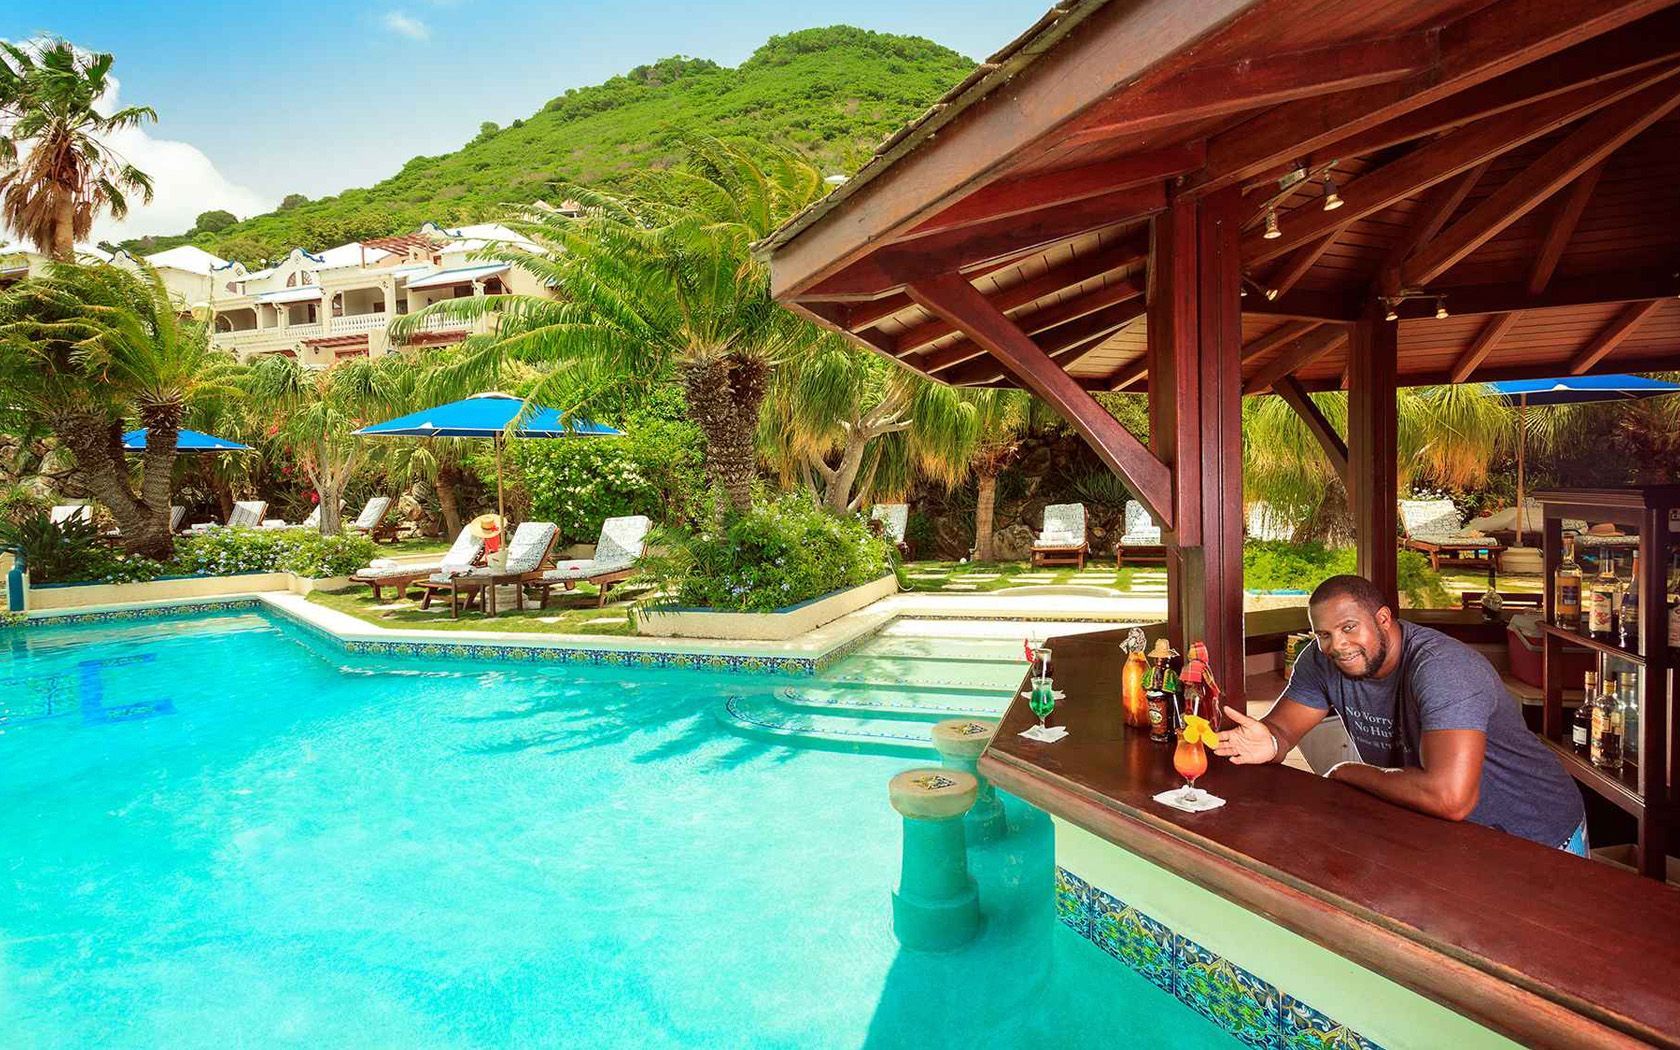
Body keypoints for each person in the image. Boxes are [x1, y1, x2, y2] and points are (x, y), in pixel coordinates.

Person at [1215, 574, 1587, 854]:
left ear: (1383, 619)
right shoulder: (1321, 660)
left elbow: (1450, 797)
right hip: (1453, 834)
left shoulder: (1444, 669)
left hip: (1537, 833)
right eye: (1324, 634)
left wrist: (1347, 772)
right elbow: (1281, 731)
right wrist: (1269, 742)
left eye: (1348, 628)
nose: (1337, 645)